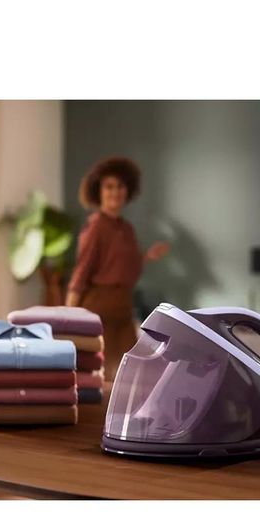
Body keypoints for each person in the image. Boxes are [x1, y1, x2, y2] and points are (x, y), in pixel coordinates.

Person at [65, 156, 170, 380]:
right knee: (99, 375)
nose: (115, 192)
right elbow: (82, 270)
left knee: (129, 374)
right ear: (99, 191)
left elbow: (121, 267)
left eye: (120, 186)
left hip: (123, 307)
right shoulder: (96, 226)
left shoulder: (126, 228)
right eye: (109, 186)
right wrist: (69, 315)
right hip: (99, 308)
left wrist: (147, 257)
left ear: (127, 190)